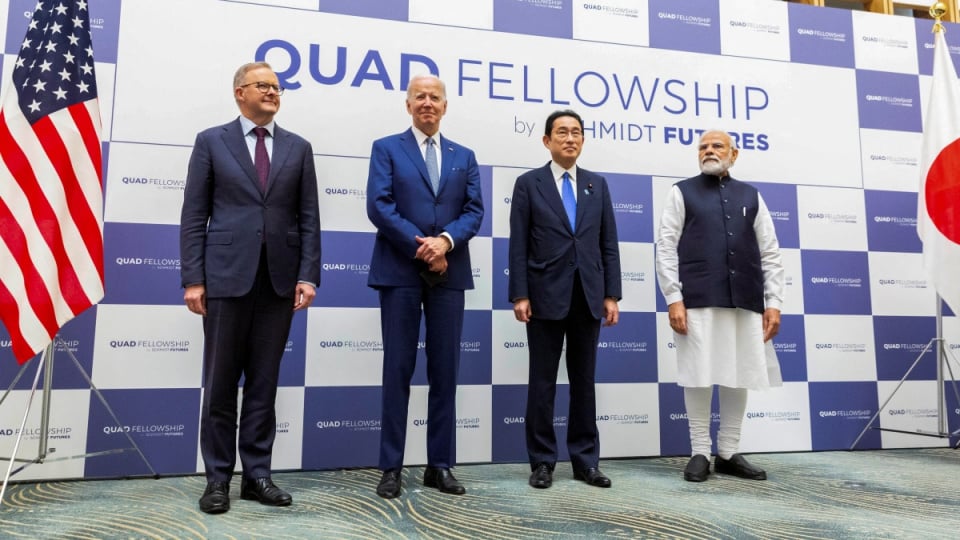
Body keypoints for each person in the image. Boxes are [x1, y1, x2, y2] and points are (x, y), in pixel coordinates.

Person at [180, 62, 321, 513]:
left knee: (264, 384)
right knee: (220, 385)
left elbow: (309, 219)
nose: (273, 93)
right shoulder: (211, 141)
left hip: (278, 282)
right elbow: (193, 215)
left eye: (278, 88)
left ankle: (257, 475)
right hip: (224, 278)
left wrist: (308, 274)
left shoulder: (298, 148)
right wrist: (194, 279)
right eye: (264, 86)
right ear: (240, 92)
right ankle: (217, 479)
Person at [366, 74, 484, 499]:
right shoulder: (386, 148)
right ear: (408, 104)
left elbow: (474, 211)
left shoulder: (464, 155)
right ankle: (391, 468)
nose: (428, 103)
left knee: (445, 372)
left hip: (449, 273)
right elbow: (379, 206)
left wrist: (446, 242)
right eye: (420, 97)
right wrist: (423, 246)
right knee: (397, 371)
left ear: (446, 106)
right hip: (399, 270)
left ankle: (440, 466)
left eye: (435, 97)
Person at [655, 129, 784, 483]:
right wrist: (673, 297)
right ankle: (700, 451)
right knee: (698, 374)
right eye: (703, 147)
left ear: (734, 153)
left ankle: (728, 451)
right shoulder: (681, 192)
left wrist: (774, 302)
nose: (709, 151)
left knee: (739, 371)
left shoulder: (751, 195)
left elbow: (770, 252)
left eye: (717, 146)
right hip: (696, 299)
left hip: (745, 299)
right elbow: (666, 246)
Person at [508, 109, 622, 490]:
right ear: (547, 140)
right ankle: (542, 461)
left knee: (584, 383)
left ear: (583, 140)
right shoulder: (529, 184)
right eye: (561, 132)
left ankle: (586, 461)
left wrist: (611, 294)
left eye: (576, 132)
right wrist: (520, 293)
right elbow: (518, 243)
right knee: (542, 383)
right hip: (543, 296)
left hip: (588, 297)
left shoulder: (597, 185)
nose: (570, 138)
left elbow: (608, 244)